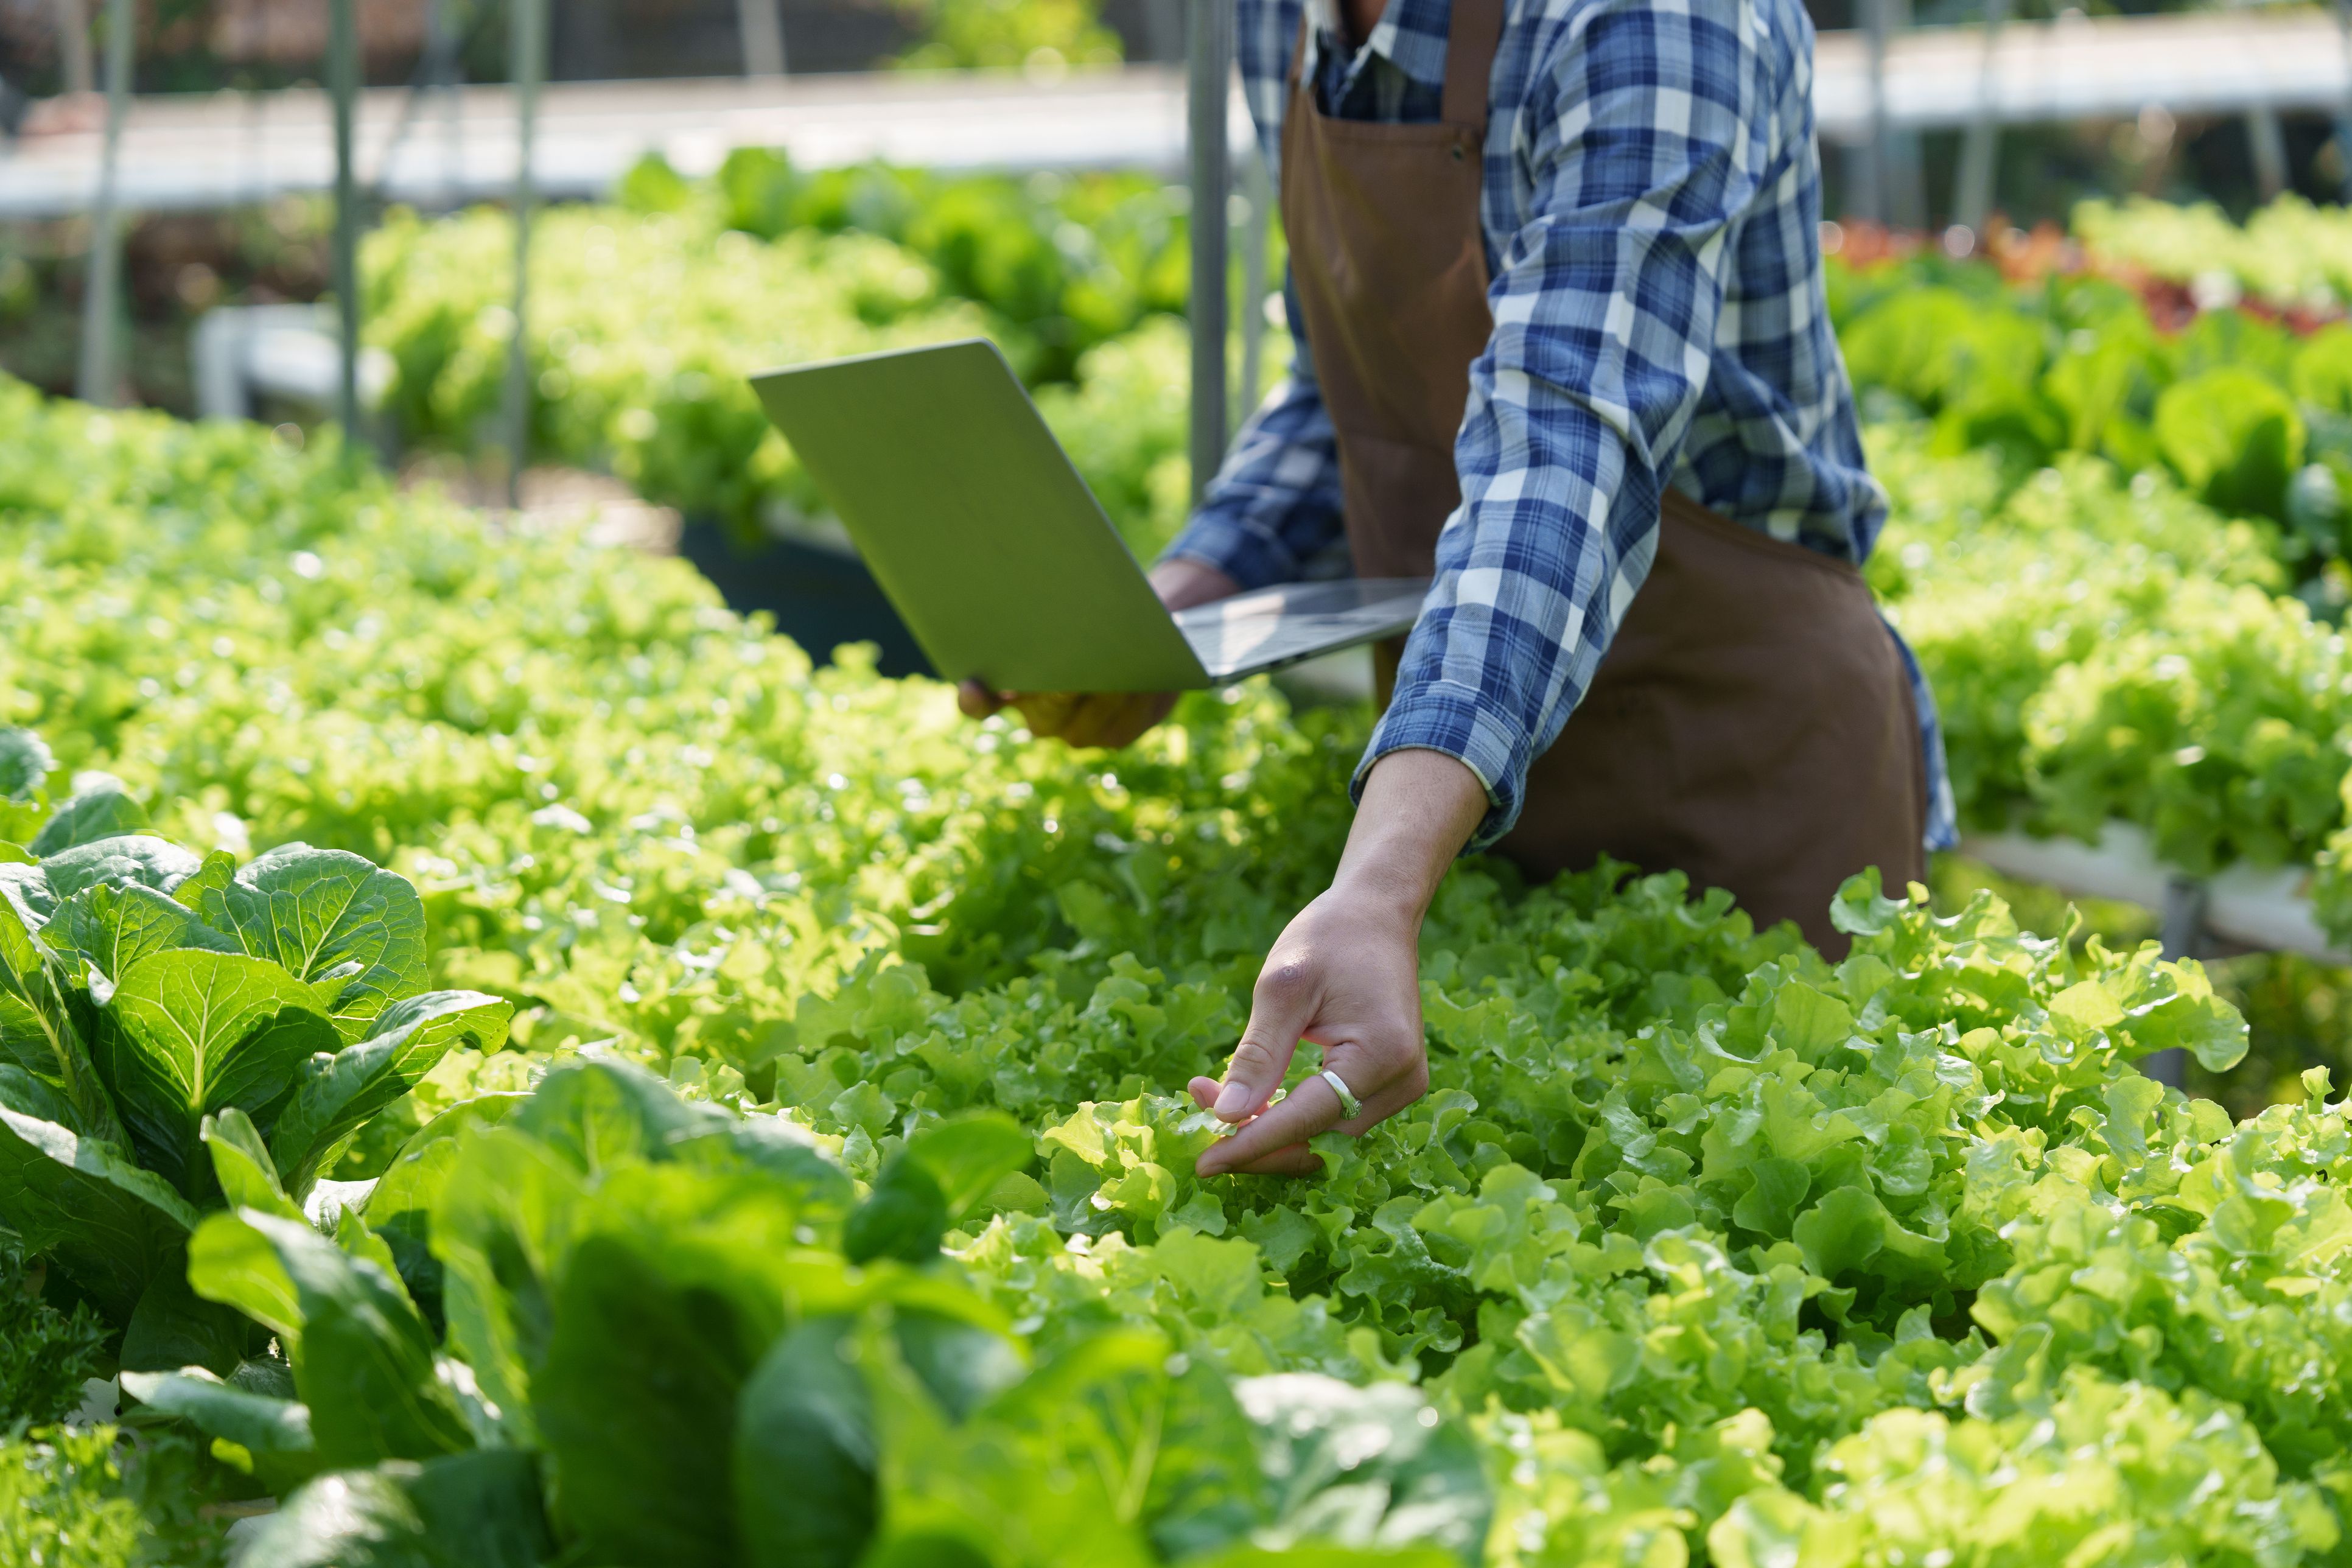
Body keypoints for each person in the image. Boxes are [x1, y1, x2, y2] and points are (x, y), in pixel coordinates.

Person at [960, 0, 1955, 1180]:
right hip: (1449, 816)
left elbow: (1566, 447)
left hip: (1738, 778)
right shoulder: (1290, 16)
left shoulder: (1656, 17)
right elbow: (1349, 386)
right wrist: (1176, 608)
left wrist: (1377, 886)